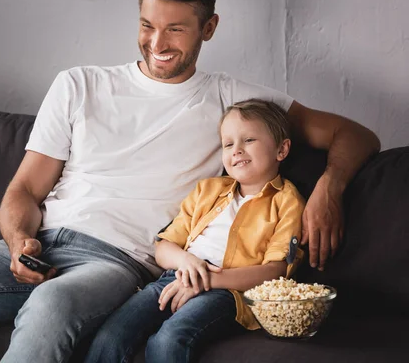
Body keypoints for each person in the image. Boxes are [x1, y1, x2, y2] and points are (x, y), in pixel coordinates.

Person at [0, 0, 380, 362]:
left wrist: (328, 189)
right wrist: (19, 240)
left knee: (50, 306)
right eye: (146, 25)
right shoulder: (78, 84)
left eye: (176, 29)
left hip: (117, 262)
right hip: (45, 244)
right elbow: (24, 191)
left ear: (209, 28)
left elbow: (353, 135)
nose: (157, 44)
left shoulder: (229, 99)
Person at [84, 99, 305, 363]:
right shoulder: (207, 190)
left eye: (248, 140)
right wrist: (187, 264)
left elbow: (275, 272)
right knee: (112, 334)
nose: (236, 150)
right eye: (228, 144)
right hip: (178, 276)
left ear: (281, 149)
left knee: (169, 339)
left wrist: (206, 281)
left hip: (229, 292)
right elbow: (163, 248)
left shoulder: (287, 201)